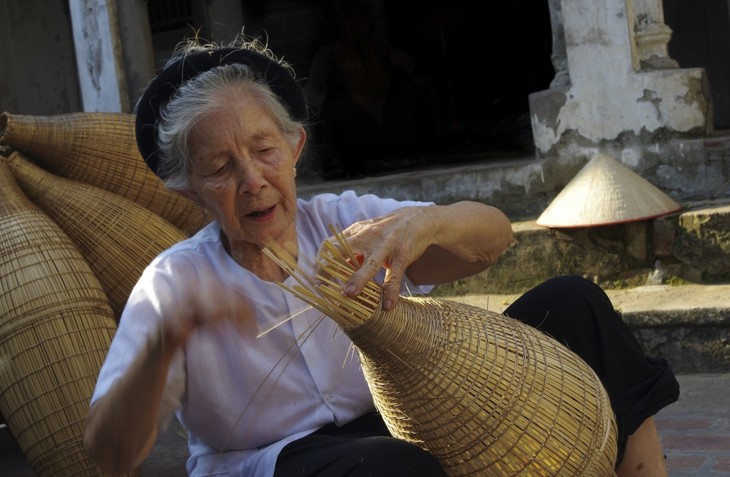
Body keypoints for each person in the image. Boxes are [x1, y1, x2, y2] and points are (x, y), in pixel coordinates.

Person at [84, 36, 679, 477]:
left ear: (295, 148)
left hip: (404, 416)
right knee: (393, 468)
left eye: (264, 150)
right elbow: (111, 444)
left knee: (574, 304)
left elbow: (495, 237)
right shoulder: (174, 281)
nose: (252, 181)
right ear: (189, 189)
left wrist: (427, 224)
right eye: (220, 168)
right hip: (272, 459)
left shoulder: (344, 220)